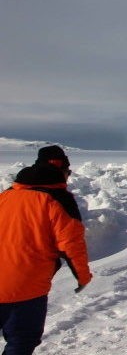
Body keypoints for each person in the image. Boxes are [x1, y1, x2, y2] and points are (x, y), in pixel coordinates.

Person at [1, 146, 92, 354]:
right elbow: (71, 244)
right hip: (25, 286)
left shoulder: (6, 195)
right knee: (22, 339)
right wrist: (83, 277)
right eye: (68, 172)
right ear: (61, 169)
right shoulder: (59, 199)